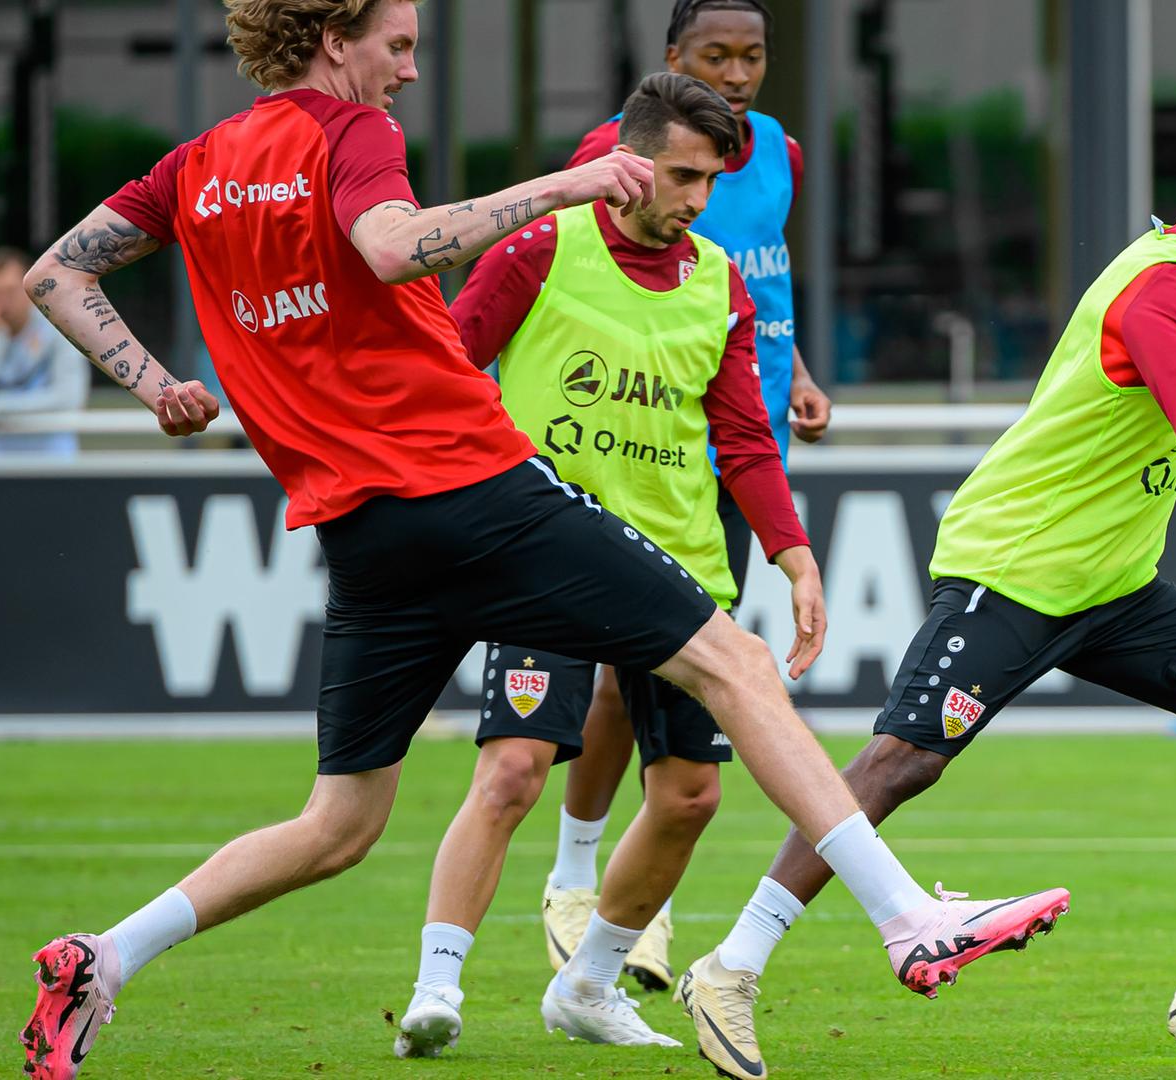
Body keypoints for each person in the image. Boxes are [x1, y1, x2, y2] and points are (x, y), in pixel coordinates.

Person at [12, 4, 1065, 1078]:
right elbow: (388, 246)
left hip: (363, 531)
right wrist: (564, 183)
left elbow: (57, 272)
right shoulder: (349, 133)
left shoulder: (200, 163)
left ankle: (104, 958)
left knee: (337, 824)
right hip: (470, 485)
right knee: (734, 664)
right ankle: (903, 920)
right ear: (335, 39)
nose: (411, 72)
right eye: (400, 45)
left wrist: (156, 387)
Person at [674, 122, 1176, 1079]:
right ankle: (730, 967)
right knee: (897, 766)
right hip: (1016, 567)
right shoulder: (1165, 287)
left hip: (1113, 585)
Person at [390, 72, 824, 1056]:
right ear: (622, 161)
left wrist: (794, 559)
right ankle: (437, 988)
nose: (695, 200)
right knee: (509, 772)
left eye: (709, 182)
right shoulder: (541, 246)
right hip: (550, 558)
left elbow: (745, 439)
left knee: (691, 797)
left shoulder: (718, 279)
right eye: (680, 175)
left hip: (680, 575)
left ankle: (588, 985)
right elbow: (451, 366)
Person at [539, 0, 829, 995]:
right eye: (717, 55)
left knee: (676, 693)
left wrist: (796, 372)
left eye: (753, 55)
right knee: (632, 678)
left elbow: (757, 289)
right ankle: (581, 877)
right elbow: (582, 264)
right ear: (674, 61)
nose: (739, 71)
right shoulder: (619, 149)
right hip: (636, 454)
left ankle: (620, 903)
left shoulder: (777, 151)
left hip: (738, 450)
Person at [0, 247, 90, 456]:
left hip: (52, 465)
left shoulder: (60, 330)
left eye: (9, 291)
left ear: (30, 289)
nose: (1, 301)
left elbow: (70, 398)